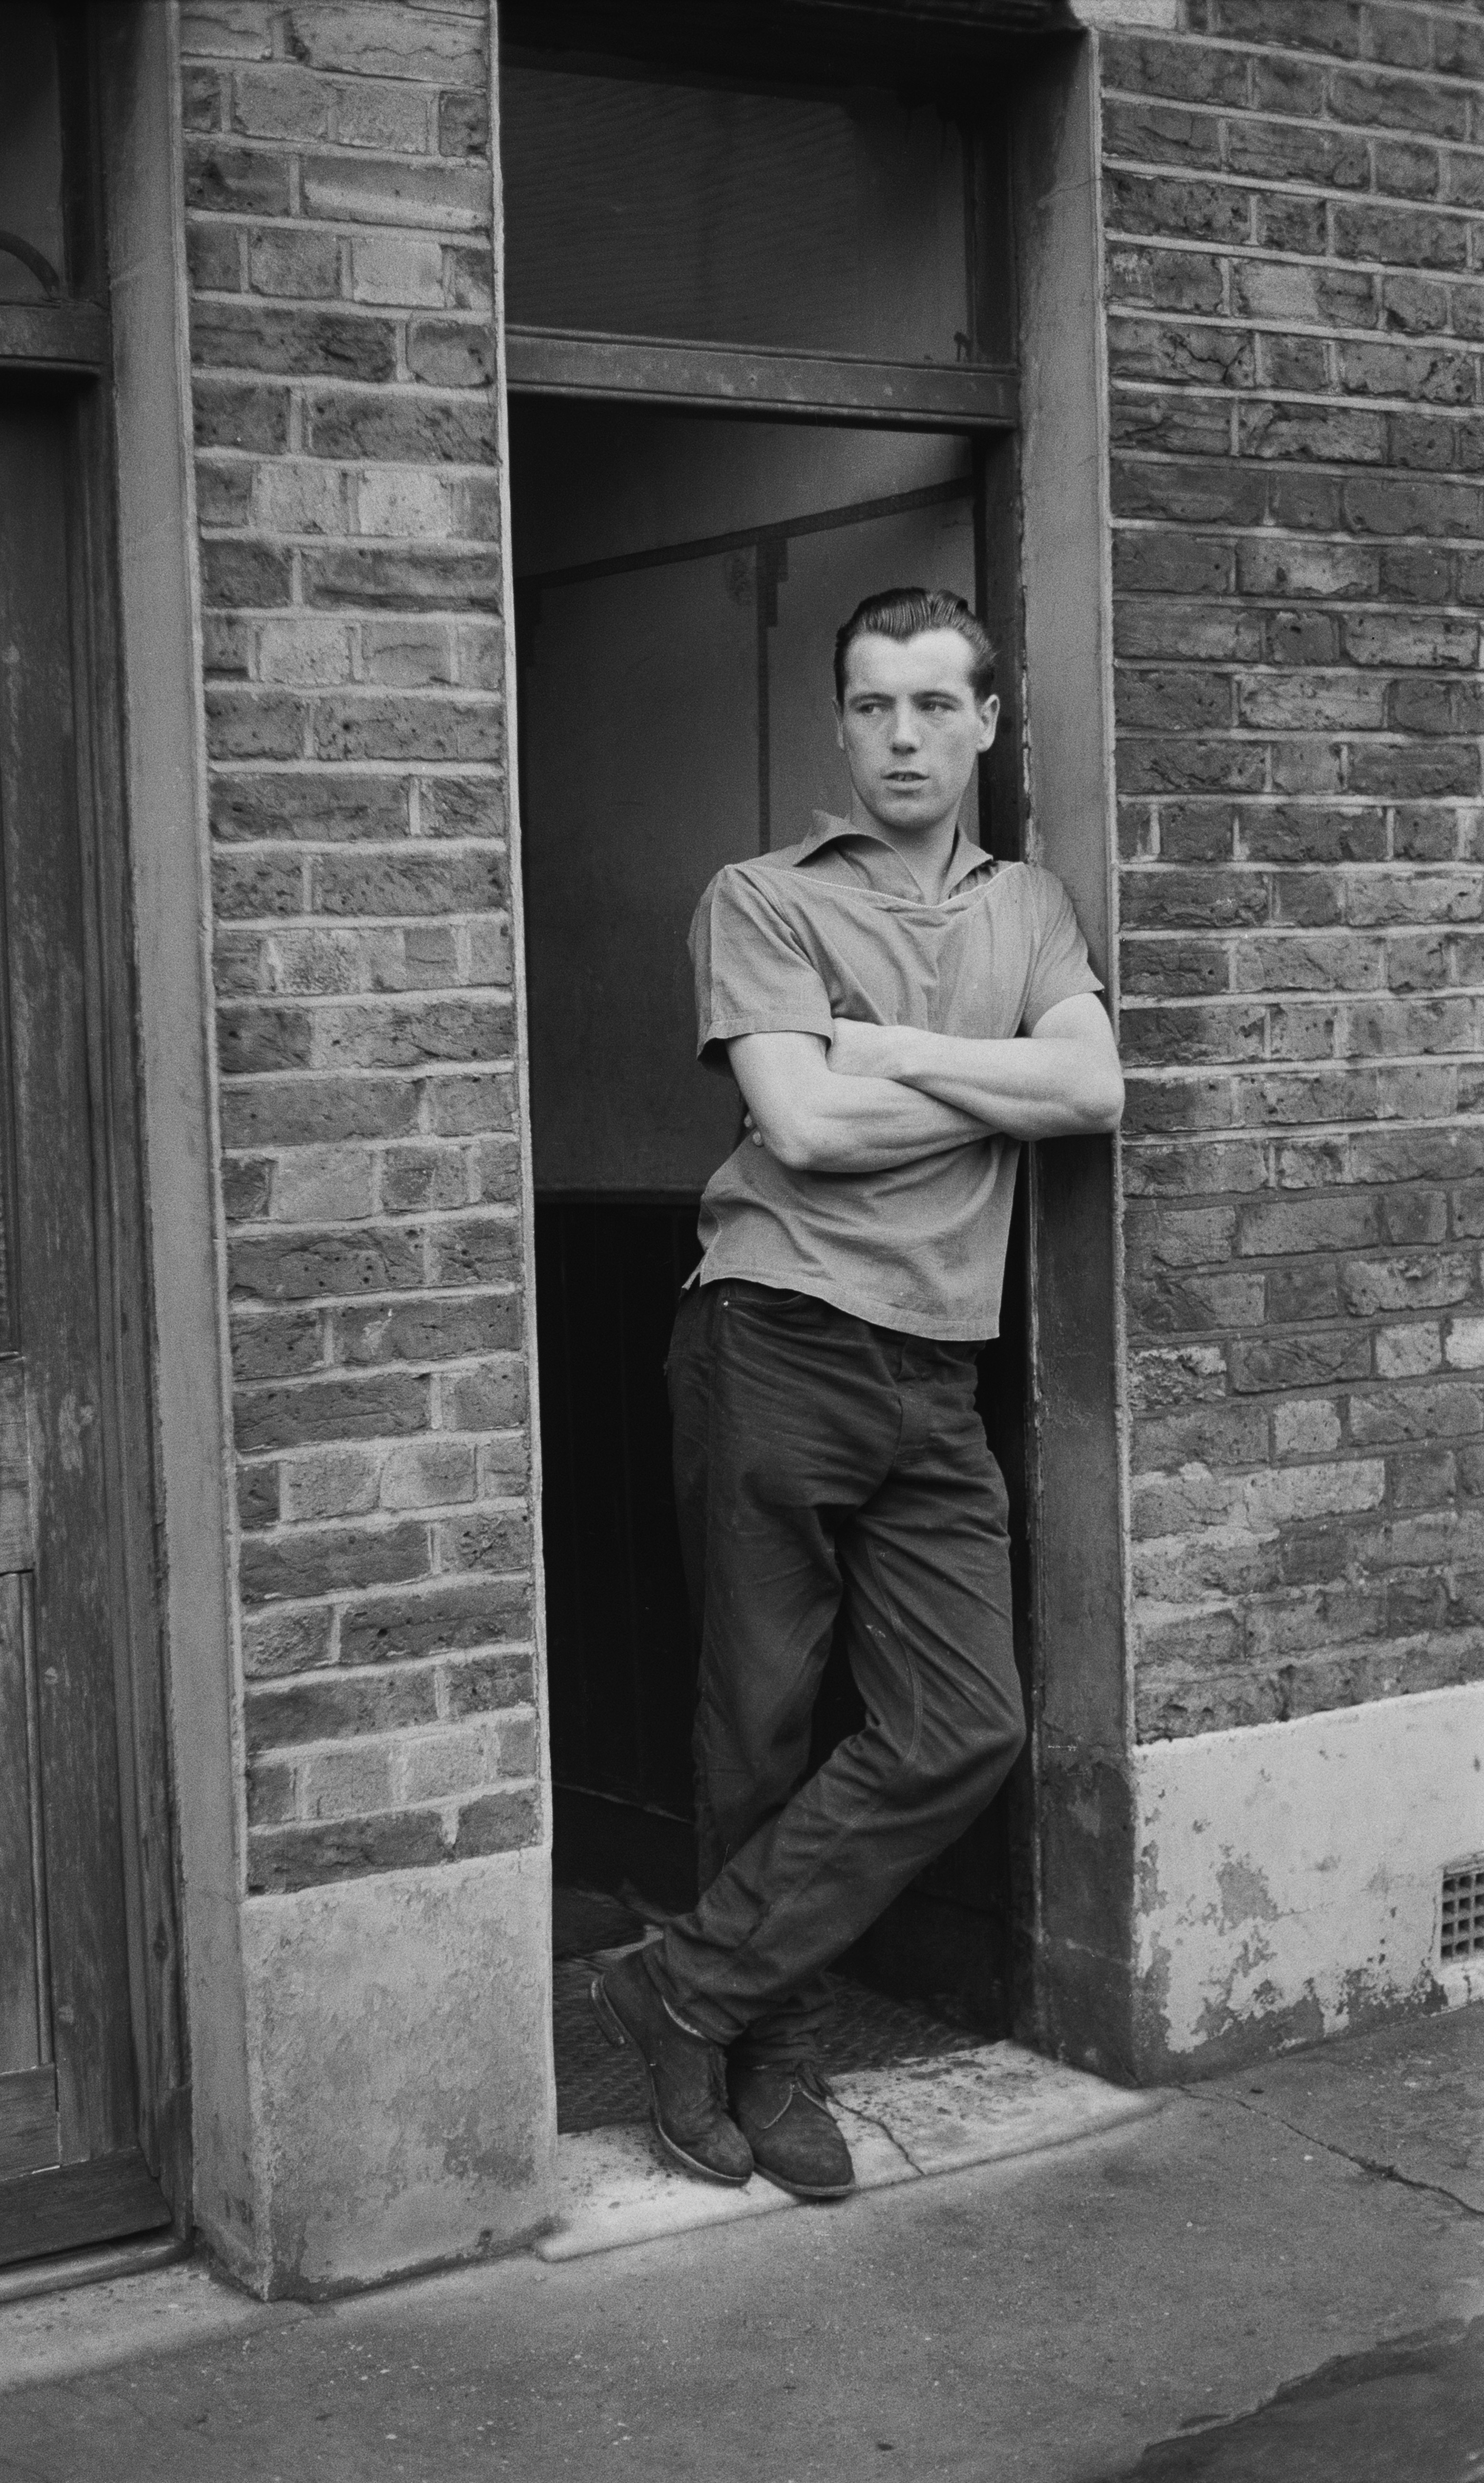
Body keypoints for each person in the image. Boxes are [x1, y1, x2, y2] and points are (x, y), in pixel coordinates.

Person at [591, 587, 1124, 2200]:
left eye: (935, 705)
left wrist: (883, 1052)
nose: (905, 736)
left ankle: (684, 1986)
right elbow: (802, 1131)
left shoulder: (1029, 905)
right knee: (758, 1725)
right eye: (875, 706)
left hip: (936, 1369)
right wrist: (1001, 1089)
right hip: (775, 1333)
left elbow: (1095, 1086)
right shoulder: (760, 896)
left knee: (968, 1723)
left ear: (987, 722)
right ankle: (771, 2056)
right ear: (839, 725)